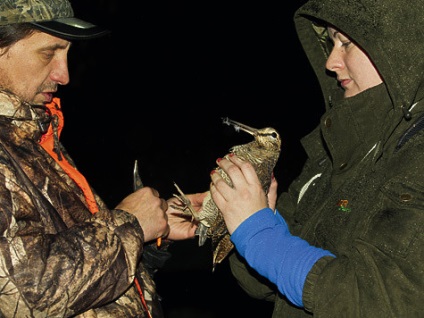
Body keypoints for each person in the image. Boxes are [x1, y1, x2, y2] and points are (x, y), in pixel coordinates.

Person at [208, 0, 424, 316]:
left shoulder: (415, 153)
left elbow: (383, 301)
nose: (331, 61)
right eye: (330, 43)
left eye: (346, 43)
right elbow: (261, 285)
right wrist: (253, 221)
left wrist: (262, 237)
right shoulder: (331, 154)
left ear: (399, 44)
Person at [0, 0, 206, 317]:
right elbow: (27, 297)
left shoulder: (34, 134)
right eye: (48, 53)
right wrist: (129, 225)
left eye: (67, 52)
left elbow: (68, 265)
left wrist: (150, 236)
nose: (63, 74)